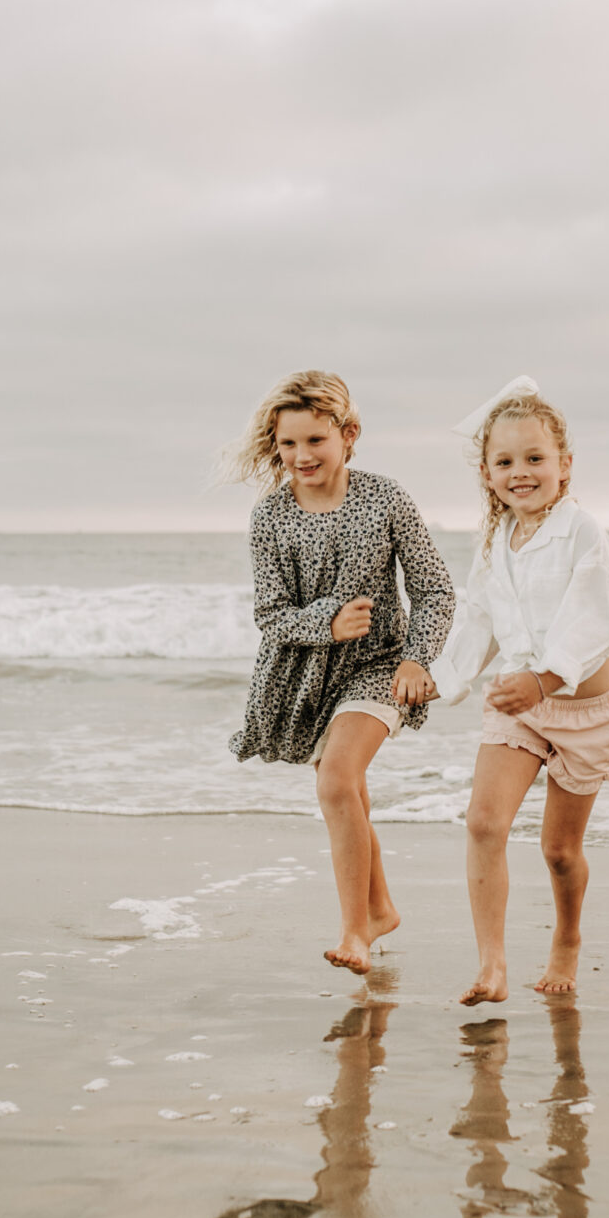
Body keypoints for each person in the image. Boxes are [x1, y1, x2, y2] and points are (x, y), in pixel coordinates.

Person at [226, 371, 456, 975]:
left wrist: (417, 657)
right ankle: (378, 909)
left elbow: (434, 589)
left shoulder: (385, 497)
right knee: (348, 792)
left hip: (381, 666)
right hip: (308, 676)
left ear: (348, 435)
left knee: (335, 782)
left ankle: (355, 930)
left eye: (315, 441)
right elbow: (271, 616)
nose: (301, 456)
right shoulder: (270, 517)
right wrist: (325, 624)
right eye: (288, 445)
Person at [429, 377, 609, 1005]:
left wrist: (543, 678)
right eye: (505, 461)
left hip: (583, 710)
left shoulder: (582, 532)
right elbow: (480, 619)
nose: (521, 472)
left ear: (564, 467)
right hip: (519, 707)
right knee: (484, 822)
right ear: (487, 474)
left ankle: (566, 936)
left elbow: (593, 618)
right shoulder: (493, 542)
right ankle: (492, 966)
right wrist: (438, 682)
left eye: (535, 459)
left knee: (560, 851)